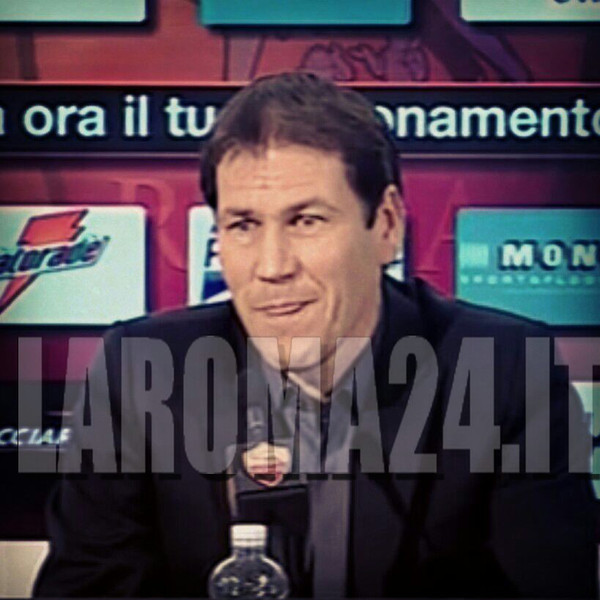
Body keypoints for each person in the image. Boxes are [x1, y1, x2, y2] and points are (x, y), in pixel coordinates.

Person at [34, 72, 597, 598]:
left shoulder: (504, 373)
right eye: (244, 225)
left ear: (386, 225)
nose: (272, 266)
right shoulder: (142, 371)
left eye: (306, 221)